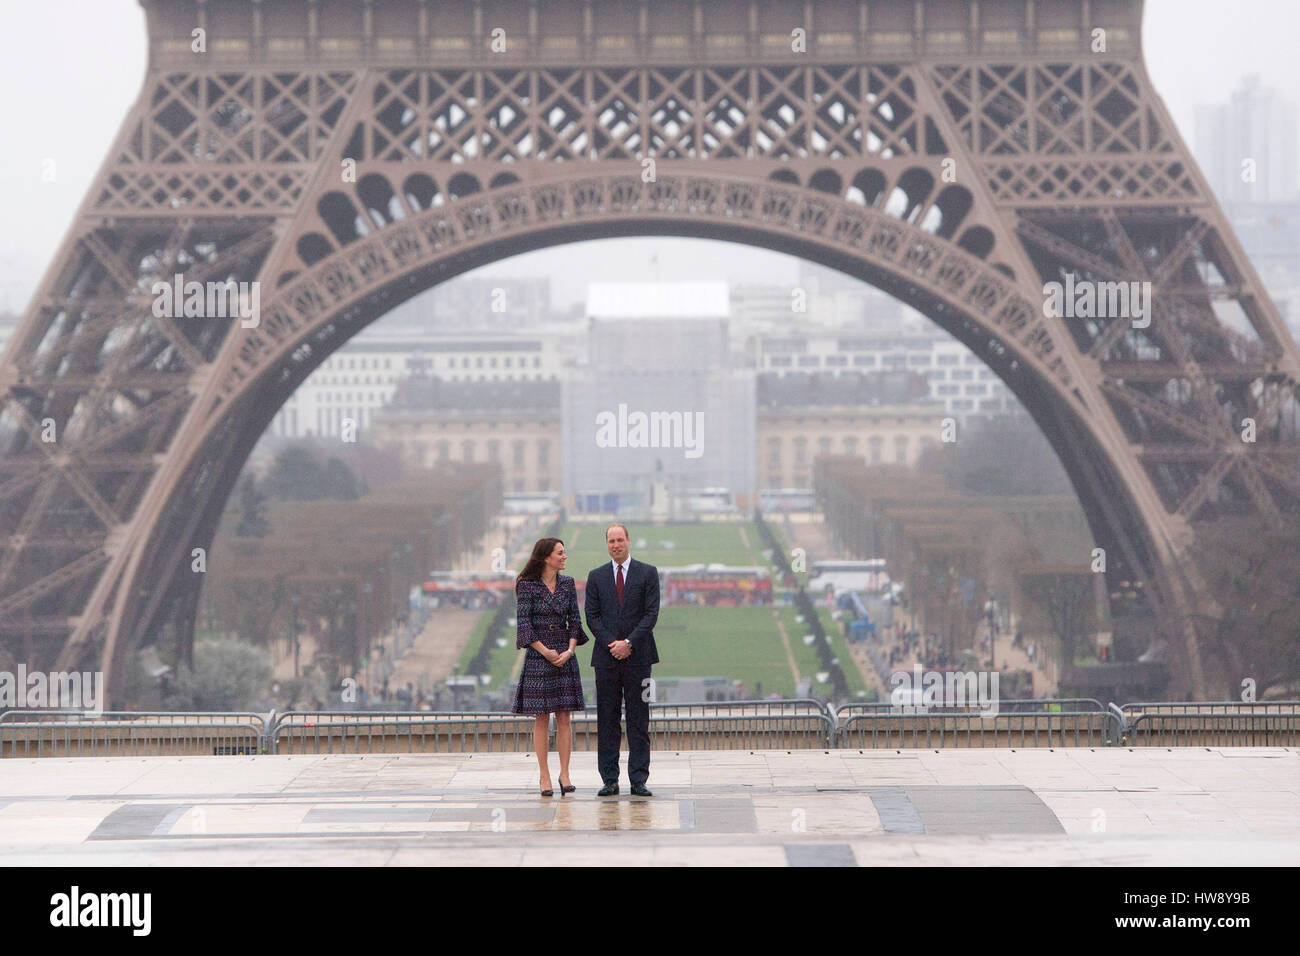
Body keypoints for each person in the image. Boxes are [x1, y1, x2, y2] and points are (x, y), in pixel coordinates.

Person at [585, 522, 660, 797]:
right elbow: (591, 616)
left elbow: (651, 615)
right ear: (607, 544)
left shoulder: (648, 573)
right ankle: (609, 779)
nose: (615, 545)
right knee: (607, 720)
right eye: (611, 541)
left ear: (629, 541)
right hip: (606, 661)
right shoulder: (596, 576)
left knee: (639, 719)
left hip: (639, 658)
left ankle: (638, 779)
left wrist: (628, 643)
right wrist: (612, 644)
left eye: (619, 539)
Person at [511, 537, 588, 797]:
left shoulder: (567, 584)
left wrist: (569, 650)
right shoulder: (527, 586)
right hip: (538, 653)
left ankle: (564, 773)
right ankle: (544, 775)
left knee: (565, 717)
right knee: (542, 717)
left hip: (564, 652)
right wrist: (545, 651)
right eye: (560, 553)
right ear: (546, 557)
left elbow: (575, 621)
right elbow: (524, 625)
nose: (565, 557)